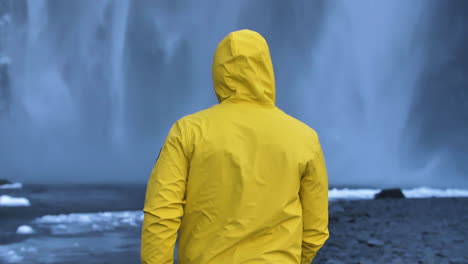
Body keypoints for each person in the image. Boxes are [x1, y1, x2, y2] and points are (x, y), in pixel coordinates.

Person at [141, 29, 329, 264]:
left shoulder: (188, 130)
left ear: (219, 72)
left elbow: (161, 214)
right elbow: (315, 231)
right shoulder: (304, 137)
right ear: (267, 69)